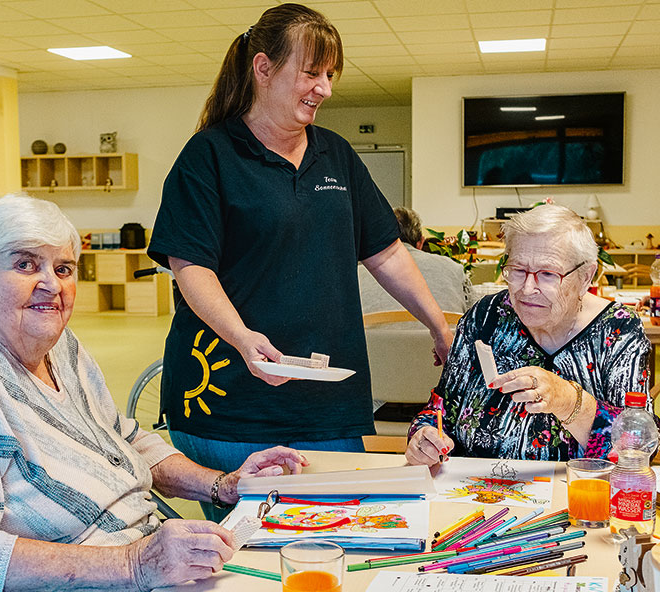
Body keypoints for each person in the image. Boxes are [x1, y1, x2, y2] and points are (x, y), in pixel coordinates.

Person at [0, 195, 307, 592]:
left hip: (141, 569)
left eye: (63, 268)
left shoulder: (59, 345)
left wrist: (220, 485)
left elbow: (124, 440)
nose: (51, 285)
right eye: (25, 264)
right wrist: (136, 565)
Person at [147, 3, 452, 520]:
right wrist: (244, 339)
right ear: (263, 68)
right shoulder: (210, 156)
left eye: (329, 75)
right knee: (251, 553)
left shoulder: (334, 155)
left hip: (328, 401)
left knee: (340, 532)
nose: (325, 88)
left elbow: (386, 251)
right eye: (312, 72)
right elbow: (190, 267)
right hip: (229, 402)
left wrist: (438, 325)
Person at [406, 203, 654, 466]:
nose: (527, 288)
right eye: (518, 270)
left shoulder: (618, 330)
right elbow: (440, 409)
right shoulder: (485, 317)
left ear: (585, 276)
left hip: (576, 497)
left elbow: (640, 445)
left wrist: (570, 403)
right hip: (475, 493)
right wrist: (423, 437)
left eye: (547, 274)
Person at [358, 207, 471, 315]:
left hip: (374, 335)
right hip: (440, 335)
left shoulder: (357, 275)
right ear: (421, 242)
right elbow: (474, 315)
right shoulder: (454, 268)